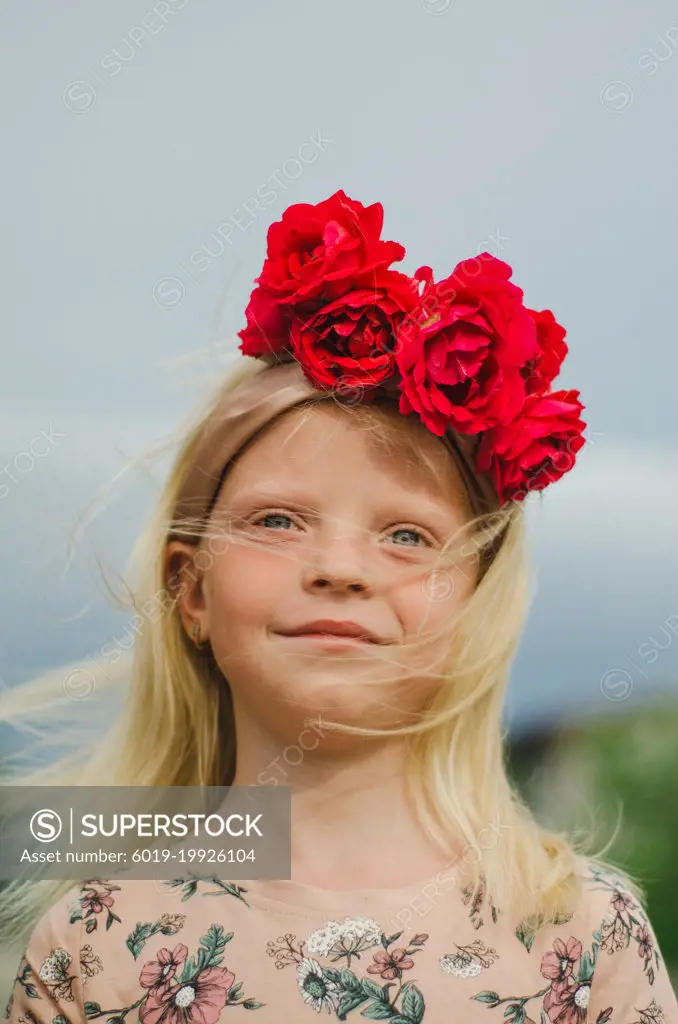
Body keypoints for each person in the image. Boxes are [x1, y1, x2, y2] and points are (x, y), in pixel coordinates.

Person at [2, 189, 676, 1023]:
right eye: (278, 521)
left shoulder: (582, 939)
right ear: (190, 589)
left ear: (473, 602)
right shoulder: (97, 941)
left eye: (407, 536)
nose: (341, 568)